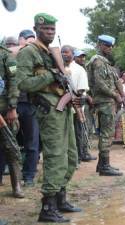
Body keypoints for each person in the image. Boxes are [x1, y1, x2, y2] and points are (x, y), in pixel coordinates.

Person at [16, 13, 80, 222]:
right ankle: (48, 207)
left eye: (53, 30)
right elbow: (23, 83)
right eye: (46, 29)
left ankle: (60, 198)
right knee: (55, 156)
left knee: (71, 155)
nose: (50, 33)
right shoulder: (29, 52)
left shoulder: (53, 53)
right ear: (36, 29)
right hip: (48, 110)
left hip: (63, 108)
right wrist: (51, 75)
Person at [87, 34, 123, 176]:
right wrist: (115, 95)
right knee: (107, 134)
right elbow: (100, 84)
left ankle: (101, 165)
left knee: (105, 133)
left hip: (105, 101)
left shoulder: (103, 62)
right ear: (100, 45)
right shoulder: (99, 62)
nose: (110, 48)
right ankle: (105, 166)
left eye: (111, 46)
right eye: (107, 45)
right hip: (105, 102)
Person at [62, 45, 96, 163]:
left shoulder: (80, 69)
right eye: (63, 52)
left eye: (67, 52)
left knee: (78, 132)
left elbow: (81, 90)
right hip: (62, 106)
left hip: (76, 105)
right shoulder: (58, 67)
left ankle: (78, 156)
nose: (65, 54)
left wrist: (77, 100)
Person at [14, 29, 38, 187]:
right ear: (20, 39)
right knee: (6, 143)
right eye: (28, 39)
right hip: (13, 104)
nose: (31, 42)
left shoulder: (36, 55)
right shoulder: (11, 54)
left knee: (32, 143)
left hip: (30, 104)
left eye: (33, 39)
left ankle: (28, 176)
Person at [0, 42, 24, 198]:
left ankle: (16, 186)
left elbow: (13, 81)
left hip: (4, 109)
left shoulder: (5, 55)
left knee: (11, 148)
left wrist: (12, 108)